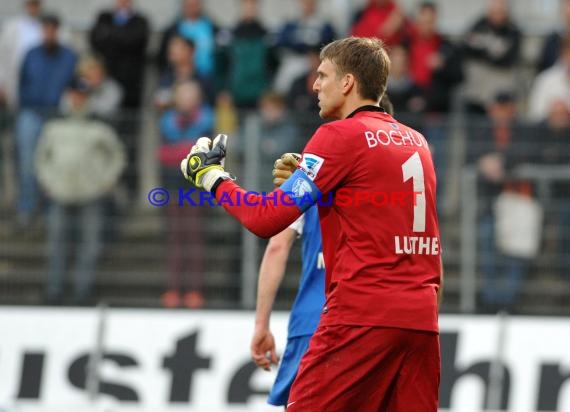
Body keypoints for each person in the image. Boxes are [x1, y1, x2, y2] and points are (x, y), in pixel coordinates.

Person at [180, 37, 442, 410]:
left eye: (323, 75)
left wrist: (211, 178)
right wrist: (311, 176)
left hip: (359, 316)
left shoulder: (338, 136)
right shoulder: (417, 142)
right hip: (421, 323)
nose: (315, 85)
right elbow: (388, 215)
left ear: (348, 83)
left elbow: (266, 218)